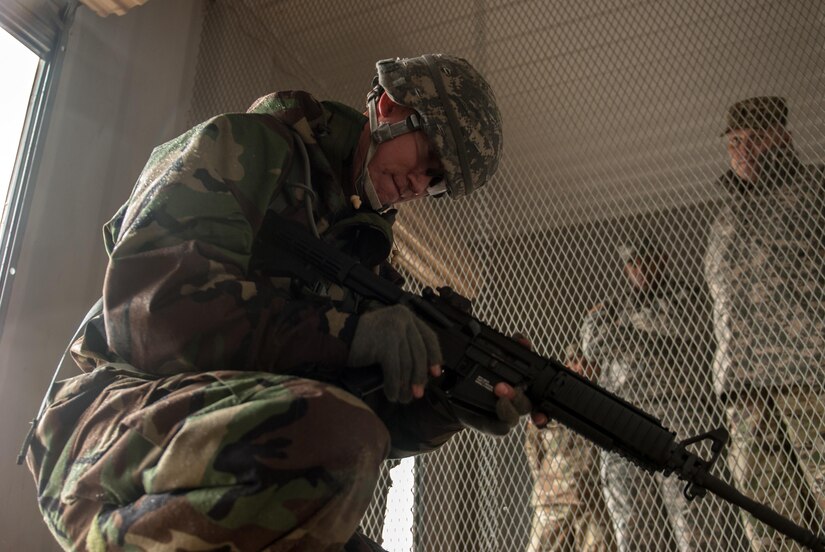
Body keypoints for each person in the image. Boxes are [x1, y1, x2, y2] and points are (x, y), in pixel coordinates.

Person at [25, 54, 539, 552]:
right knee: (343, 434)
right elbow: (153, 316)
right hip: (106, 426)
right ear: (390, 108)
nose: (418, 184)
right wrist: (348, 335)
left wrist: (446, 403)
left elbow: (356, 432)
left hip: (219, 443)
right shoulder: (247, 146)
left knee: (350, 440)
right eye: (425, 158)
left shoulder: (366, 257)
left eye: (436, 181)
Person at [704, 96, 825, 551]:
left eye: (755, 138)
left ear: (785, 138)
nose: (743, 149)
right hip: (745, 391)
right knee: (768, 518)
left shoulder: (817, 192)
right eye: (735, 140)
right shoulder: (724, 220)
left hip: (810, 381)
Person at [581, 239, 743, 552]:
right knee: (635, 525)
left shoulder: (689, 297)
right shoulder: (614, 305)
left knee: (693, 519)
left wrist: (624, 332)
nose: (638, 269)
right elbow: (592, 344)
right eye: (631, 263)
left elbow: (683, 333)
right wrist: (642, 333)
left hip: (681, 412)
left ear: (662, 259)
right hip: (625, 417)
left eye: (645, 259)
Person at [524, 344, 615, 552]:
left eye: (586, 363)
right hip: (553, 498)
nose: (580, 368)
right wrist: (547, 480)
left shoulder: (604, 405)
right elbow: (533, 447)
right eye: (574, 361)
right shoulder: (549, 403)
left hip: (592, 498)